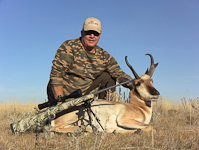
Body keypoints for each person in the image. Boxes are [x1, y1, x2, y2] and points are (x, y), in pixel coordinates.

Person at [47, 17, 133, 103]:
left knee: (108, 77)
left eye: (95, 33)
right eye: (88, 32)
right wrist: (59, 101)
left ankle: (104, 109)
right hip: (63, 97)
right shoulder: (69, 47)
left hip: (83, 95)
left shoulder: (104, 56)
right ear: (82, 33)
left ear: (100, 35)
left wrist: (136, 82)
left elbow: (119, 73)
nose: (92, 36)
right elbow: (56, 73)